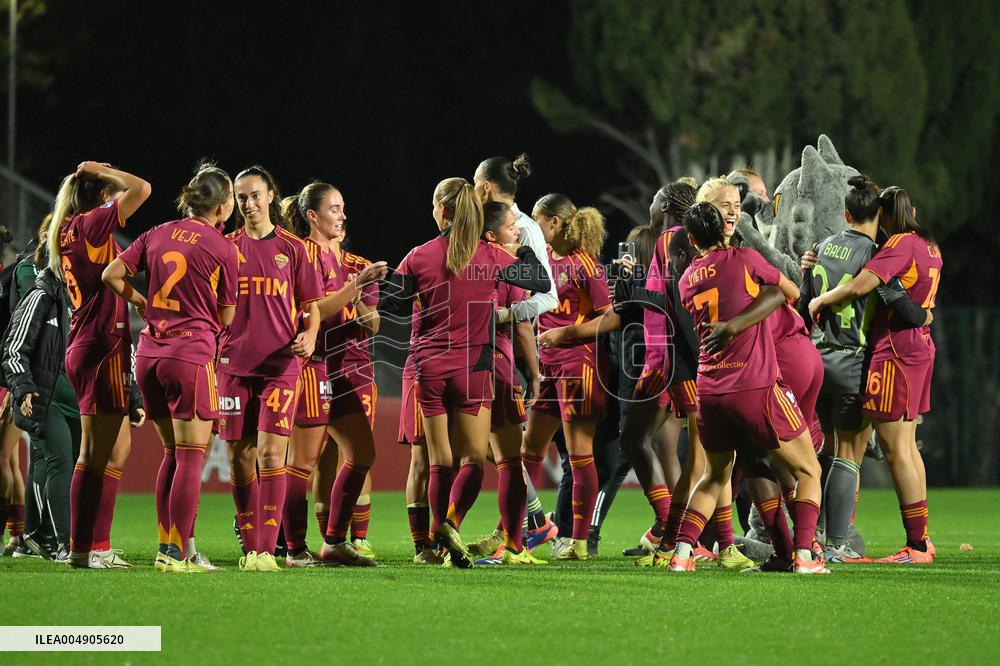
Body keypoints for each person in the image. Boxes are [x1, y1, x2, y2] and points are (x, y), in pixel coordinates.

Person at [379, 177, 550, 568]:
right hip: (474, 371)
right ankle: (449, 527)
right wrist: (522, 251)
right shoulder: (491, 256)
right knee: (473, 460)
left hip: (428, 370)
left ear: (441, 210)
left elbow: (392, 304)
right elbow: (540, 282)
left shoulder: (419, 255)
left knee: (440, 462)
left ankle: (440, 540)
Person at [671, 202, 828, 574]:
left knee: (715, 476)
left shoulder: (685, 280)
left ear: (692, 241)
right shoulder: (743, 258)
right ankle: (805, 556)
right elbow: (788, 291)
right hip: (755, 385)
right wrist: (740, 321)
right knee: (809, 470)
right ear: (723, 230)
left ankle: (680, 553)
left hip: (710, 391)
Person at [103, 163, 239, 573]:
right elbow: (228, 316)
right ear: (223, 206)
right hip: (190, 355)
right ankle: (177, 554)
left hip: (148, 356)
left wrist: (140, 300)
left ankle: (167, 545)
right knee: (192, 455)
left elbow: (112, 274)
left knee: (171, 453)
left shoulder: (157, 233)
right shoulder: (222, 247)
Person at [798, 175, 931, 561]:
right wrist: (923, 315)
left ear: (846, 213)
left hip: (815, 360)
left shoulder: (821, 247)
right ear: (879, 216)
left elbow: (806, 301)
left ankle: (814, 534)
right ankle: (837, 543)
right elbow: (896, 301)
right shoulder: (877, 254)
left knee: (820, 452)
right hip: (853, 362)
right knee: (848, 454)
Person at [219, 165, 324, 573]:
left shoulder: (294, 249)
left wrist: (312, 335)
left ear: (270, 196)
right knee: (239, 460)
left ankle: (266, 550)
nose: (248, 204)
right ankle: (250, 547)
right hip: (233, 366)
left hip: (282, 365)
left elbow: (311, 308)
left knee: (270, 452)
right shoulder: (225, 248)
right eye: (241, 197)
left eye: (255, 195)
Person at [48, 161, 151, 569]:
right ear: (100, 196)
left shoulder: (71, 227)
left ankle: (98, 545)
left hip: (92, 344)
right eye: (108, 192)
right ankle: (81, 549)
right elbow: (141, 187)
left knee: (117, 450)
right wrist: (98, 169)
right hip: (100, 346)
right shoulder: (89, 224)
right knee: (93, 453)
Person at [522, 193, 620, 561]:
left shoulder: (585, 265)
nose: (530, 225)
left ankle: (577, 540)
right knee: (528, 451)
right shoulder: (541, 259)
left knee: (580, 456)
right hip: (545, 368)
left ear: (555, 223)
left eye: (536, 218)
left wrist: (566, 334)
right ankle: (517, 532)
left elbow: (611, 317)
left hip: (578, 366)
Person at [473, 201, 546, 566]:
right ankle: (516, 542)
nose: (517, 231)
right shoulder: (508, 267)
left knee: (454, 457)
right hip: (497, 366)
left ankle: (439, 536)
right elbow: (519, 326)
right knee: (506, 457)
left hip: (455, 369)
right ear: (491, 234)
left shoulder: (462, 260)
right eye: (510, 226)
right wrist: (533, 373)